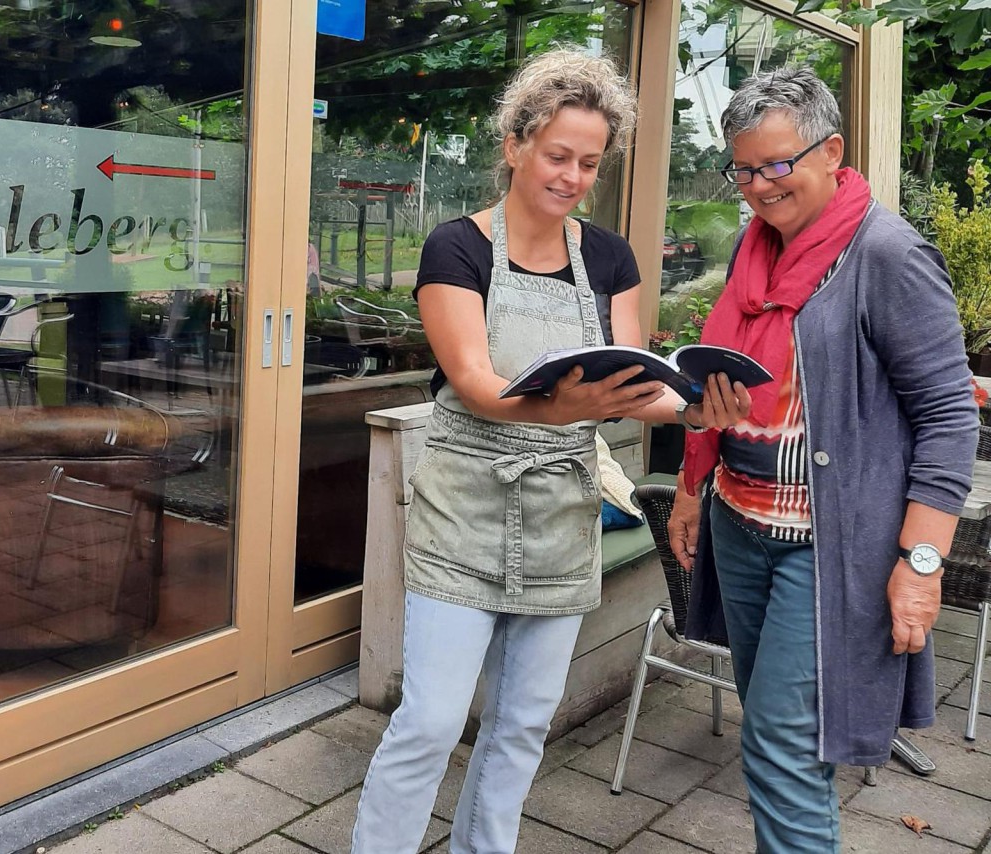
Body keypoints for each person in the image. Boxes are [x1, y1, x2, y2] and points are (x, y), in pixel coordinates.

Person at [350, 48, 752, 854]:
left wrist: (700, 409)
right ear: (515, 145)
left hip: (561, 512)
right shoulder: (454, 248)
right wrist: (563, 406)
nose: (572, 176)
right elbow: (472, 381)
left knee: (523, 723)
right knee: (429, 722)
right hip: (465, 505)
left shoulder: (608, 259)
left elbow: (639, 381)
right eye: (558, 156)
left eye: (589, 164)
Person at [668, 67, 978, 853]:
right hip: (740, 526)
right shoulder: (755, 246)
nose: (758, 189)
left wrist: (922, 560)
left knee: (781, 751)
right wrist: (689, 489)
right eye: (743, 170)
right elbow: (727, 385)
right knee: (776, 736)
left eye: (777, 166)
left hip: (829, 548)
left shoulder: (887, 255)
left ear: (831, 151)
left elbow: (948, 417)